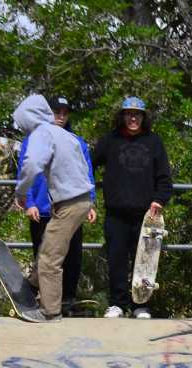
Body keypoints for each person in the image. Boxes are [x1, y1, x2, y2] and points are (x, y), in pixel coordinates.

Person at [11, 94, 95, 321]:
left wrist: (21, 193)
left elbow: (31, 165)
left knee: (50, 258)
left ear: (28, 119)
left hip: (69, 204)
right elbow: (81, 165)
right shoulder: (66, 136)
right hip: (79, 200)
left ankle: (50, 311)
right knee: (50, 244)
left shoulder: (41, 133)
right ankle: (32, 284)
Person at [91, 96, 173, 319]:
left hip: (146, 215)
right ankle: (117, 303)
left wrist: (159, 200)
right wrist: (87, 195)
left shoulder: (154, 142)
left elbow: (165, 178)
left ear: (143, 117)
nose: (133, 118)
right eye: (129, 114)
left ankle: (141, 306)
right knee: (116, 259)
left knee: (146, 262)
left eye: (137, 114)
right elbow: (88, 164)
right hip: (116, 213)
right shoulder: (110, 140)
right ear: (122, 116)